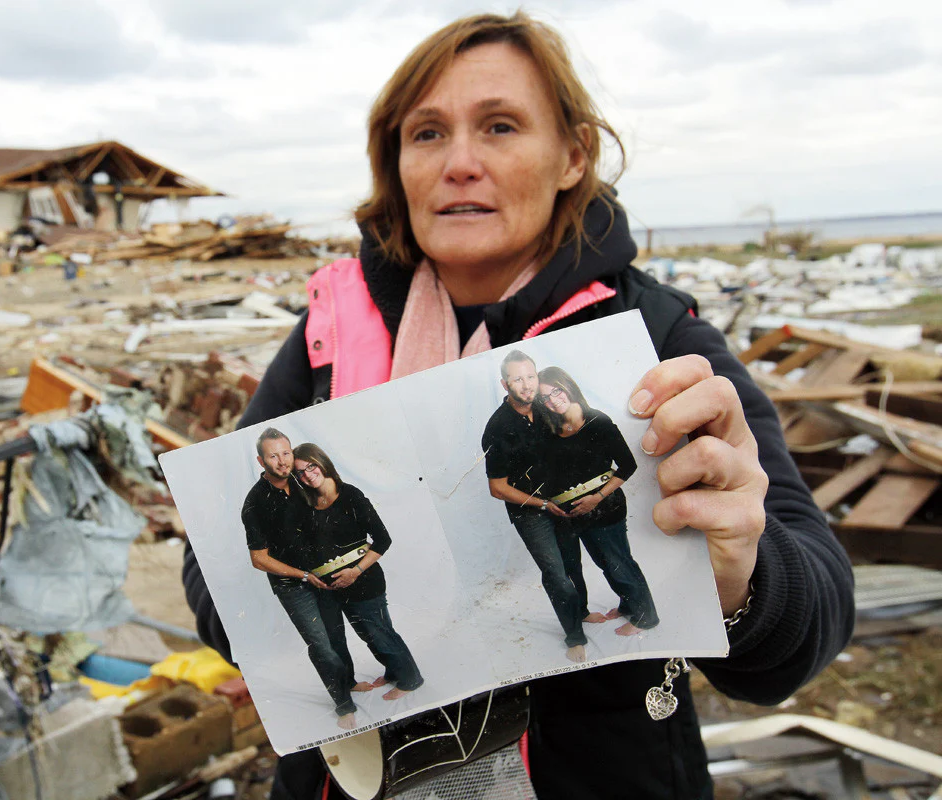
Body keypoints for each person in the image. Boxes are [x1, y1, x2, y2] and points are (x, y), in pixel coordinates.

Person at [186, 12, 854, 799]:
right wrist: (298, 615)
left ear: (573, 155)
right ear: (395, 163)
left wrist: (741, 573)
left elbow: (806, 632)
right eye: (427, 134)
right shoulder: (330, 331)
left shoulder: (655, 337)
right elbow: (210, 557)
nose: (459, 163)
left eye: (500, 126)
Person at [241, 428, 364, 728]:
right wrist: (303, 575)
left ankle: (348, 682)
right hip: (293, 585)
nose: (283, 461)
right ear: (261, 460)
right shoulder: (255, 503)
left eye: (286, 453)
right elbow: (259, 559)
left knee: (337, 635)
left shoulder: (301, 481)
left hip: (325, 575)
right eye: (274, 456)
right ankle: (343, 705)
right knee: (321, 644)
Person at [291, 443, 424, 712]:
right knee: (368, 635)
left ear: (321, 462)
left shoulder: (349, 495)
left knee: (379, 632)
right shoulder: (308, 503)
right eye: (300, 472)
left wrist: (356, 571)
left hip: (364, 581)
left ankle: (410, 679)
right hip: (333, 588)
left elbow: (383, 540)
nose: (307, 475)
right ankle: (393, 671)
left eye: (311, 466)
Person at [482, 349, 596, 663]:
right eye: (518, 379)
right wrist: (543, 504)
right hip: (530, 511)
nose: (527, 384)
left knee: (573, 561)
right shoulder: (497, 428)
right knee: (556, 573)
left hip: (562, 500)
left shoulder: (548, 408)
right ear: (505, 385)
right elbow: (497, 488)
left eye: (530, 376)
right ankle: (574, 636)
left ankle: (582, 612)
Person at [535, 365, 660, 641]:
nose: (553, 400)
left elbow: (628, 465)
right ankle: (629, 605)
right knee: (607, 564)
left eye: (556, 391)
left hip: (605, 507)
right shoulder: (552, 429)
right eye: (545, 397)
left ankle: (645, 617)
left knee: (618, 561)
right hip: (575, 513)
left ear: (567, 386)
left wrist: (596, 498)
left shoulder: (598, 421)